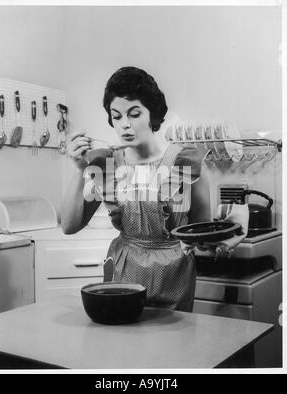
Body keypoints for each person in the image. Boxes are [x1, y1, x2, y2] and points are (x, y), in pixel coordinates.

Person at [61, 66, 247, 312]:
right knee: (124, 344)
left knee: (171, 345)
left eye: (134, 114)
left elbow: (199, 232)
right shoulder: (107, 164)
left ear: (153, 114)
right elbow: (69, 225)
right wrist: (78, 169)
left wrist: (221, 237)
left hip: (175, 275)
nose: (125, 125)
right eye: (116, 116)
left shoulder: (187, 163)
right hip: (124, 272)